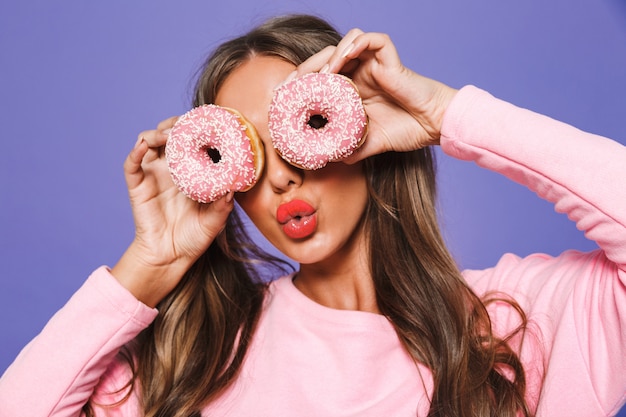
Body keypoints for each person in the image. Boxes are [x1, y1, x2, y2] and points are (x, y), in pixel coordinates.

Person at [0, 13, 625, 417]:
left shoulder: (515, 328)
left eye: (303, 130)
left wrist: (446, 115)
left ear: (357, 129)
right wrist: (149, 263)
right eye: (245, 153)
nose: (278, 177)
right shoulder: (194, 362)